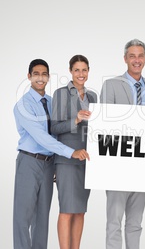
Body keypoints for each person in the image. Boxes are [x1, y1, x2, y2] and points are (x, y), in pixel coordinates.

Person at [13, 59, 89, 249]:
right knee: (23, 217)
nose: (41, 78)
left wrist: (56, 163)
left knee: (42, 217)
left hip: (48, 164)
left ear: (48, 77)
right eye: (36, 74)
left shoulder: (52, 101)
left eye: (44, 74)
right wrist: (71, 153)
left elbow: (56, 132)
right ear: (29, 76)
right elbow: (41, 137)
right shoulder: (23, 105)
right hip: (29, 161)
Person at [100, 39, 145, 249]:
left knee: (135, 223)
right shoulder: (111, 85)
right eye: (132, 56)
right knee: (114, 222)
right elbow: (104, 123)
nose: (136, 60)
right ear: (125, 59)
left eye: (140, 56)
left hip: (143, 164)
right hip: (118, 164)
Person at [51, 55, 97, 249]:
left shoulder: (93, 97)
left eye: (84, 70)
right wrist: (76, 119)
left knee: (80, 211)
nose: (81, 74)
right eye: (77, 70)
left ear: (88, 71)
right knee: (67, 210)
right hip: (67, 160)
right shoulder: (61, 94)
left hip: (87, 160)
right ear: (70, 71)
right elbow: (54, 128)